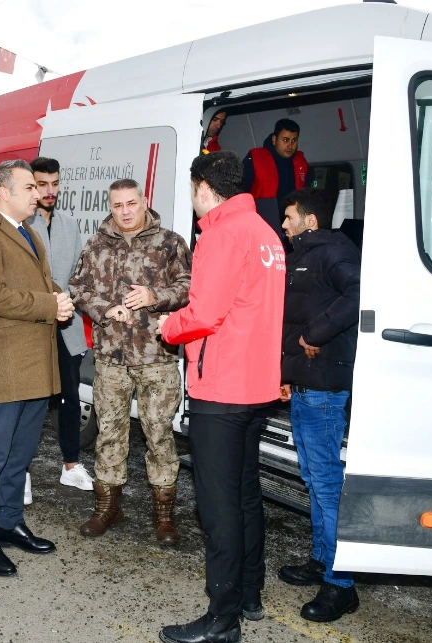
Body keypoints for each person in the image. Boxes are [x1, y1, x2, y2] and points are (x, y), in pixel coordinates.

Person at [158, 151, 285, 643]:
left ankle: (222, 617)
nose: (193, 198)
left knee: (218, 507)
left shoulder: (221, 233)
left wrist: (166, 326)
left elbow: (204, 313)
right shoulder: (265, 233)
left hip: (223, 388)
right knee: (246, 494)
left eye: (193, 189)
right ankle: (250, 592)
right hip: (256, 387)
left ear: (204, 186)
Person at [0, 160, 73, 577]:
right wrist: (50, 305)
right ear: (4, 191)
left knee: (20, 455)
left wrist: (61, 297)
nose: (38, 192)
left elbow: (44, 284)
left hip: (35, 364)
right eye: (29, 186)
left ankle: (8, 523)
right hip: (6, 365)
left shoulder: (28, 231)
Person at [69, 178, 191, 544]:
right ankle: (108, 508)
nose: (124, 212)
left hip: (157, 356)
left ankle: (164, 517)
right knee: (109, 433)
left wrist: (155, 295)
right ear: (111, 206)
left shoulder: (169, 242)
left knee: (159, 435)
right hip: (110, 358)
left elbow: (189, 287)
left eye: (131, 204)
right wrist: (106, 309)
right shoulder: (96, 244)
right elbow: (77, 288)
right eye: (118, 205)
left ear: (143, 202)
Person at [277, 187, 361, 622]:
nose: (284, 223)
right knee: (313, 478)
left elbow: (357, 294)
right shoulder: (303, 255)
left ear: (310, 221)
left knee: (327, 485)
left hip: (326, 388)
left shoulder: (332, 252)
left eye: (290, 216)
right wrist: (287, 374)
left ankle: (341, 583)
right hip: (306, 385)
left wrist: (316, 334)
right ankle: (321, 561)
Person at [26, 157, 93, 491]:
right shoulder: (21, 225)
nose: (49, 191)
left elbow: (78, 276)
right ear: (30, 185)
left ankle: (71, 465)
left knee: (69, 398)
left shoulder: (69, 224)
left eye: (54, 183)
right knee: (30, 401)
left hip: (68, 330)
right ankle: (19, 473)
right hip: (32, 328)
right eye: (42, 184)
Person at [243, 118, 308, 242]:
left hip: (292, 229)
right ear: (274, 139)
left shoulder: (301, 163)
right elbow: (241, 194)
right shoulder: (255, 159)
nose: (290, 146)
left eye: (294, 140)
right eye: (285, 140)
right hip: (261, 227)